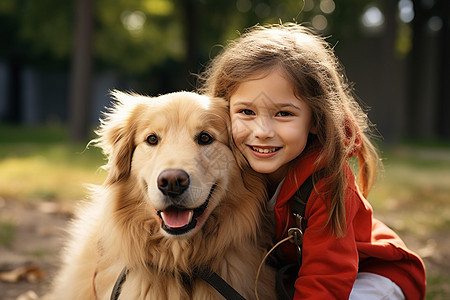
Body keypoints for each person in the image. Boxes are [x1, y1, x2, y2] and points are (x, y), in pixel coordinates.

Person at [200, 23, 426, 299]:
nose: (262, 131)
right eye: (246, 111)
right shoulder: (231, 167)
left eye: (283, 114)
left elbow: (326, 279)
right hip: (295, 273)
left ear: (316, 121)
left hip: (371, 275)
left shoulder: (327, 184)